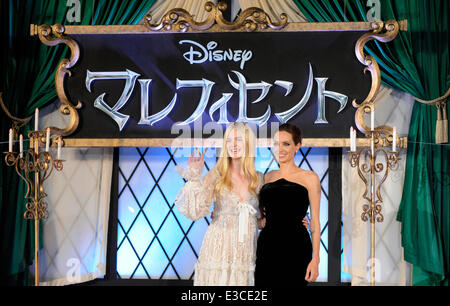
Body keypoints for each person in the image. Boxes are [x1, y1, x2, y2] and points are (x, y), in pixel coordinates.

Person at [174, 122, 263, 286]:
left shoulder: (258, 179)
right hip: (219, 248)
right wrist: (194, 177)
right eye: (229, 140)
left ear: (248, 143)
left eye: (238, 140)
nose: (233, 145)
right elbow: (195, 212)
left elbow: (263, 218)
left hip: (245, 251)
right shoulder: (216, 175)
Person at [255, 123, 321, 286]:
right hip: (267, 247)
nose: (280, 149)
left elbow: (315, 223)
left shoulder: (309, 177)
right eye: (277, 144)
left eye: (286, 144)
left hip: (296, 248)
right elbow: (262, 218)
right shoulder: (267, 177)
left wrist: (316, 259)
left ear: (297, 146)